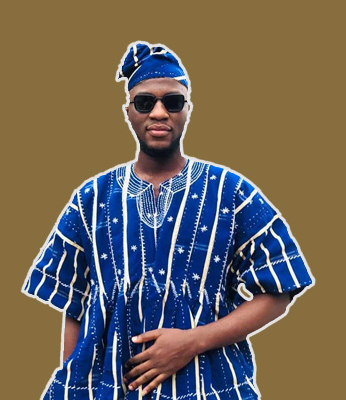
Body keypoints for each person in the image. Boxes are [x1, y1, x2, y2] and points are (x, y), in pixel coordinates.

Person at [21, 41, 314, 400]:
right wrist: (73, 384)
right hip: (109, 389)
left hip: (209, 387)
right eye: (145, 102)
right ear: (128, 111)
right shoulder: (91, 198)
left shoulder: (231, 191)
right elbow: (74, 303)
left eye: (173, 102)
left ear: (188, 109)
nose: (159, 113)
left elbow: (279, 290)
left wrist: (192, 341)